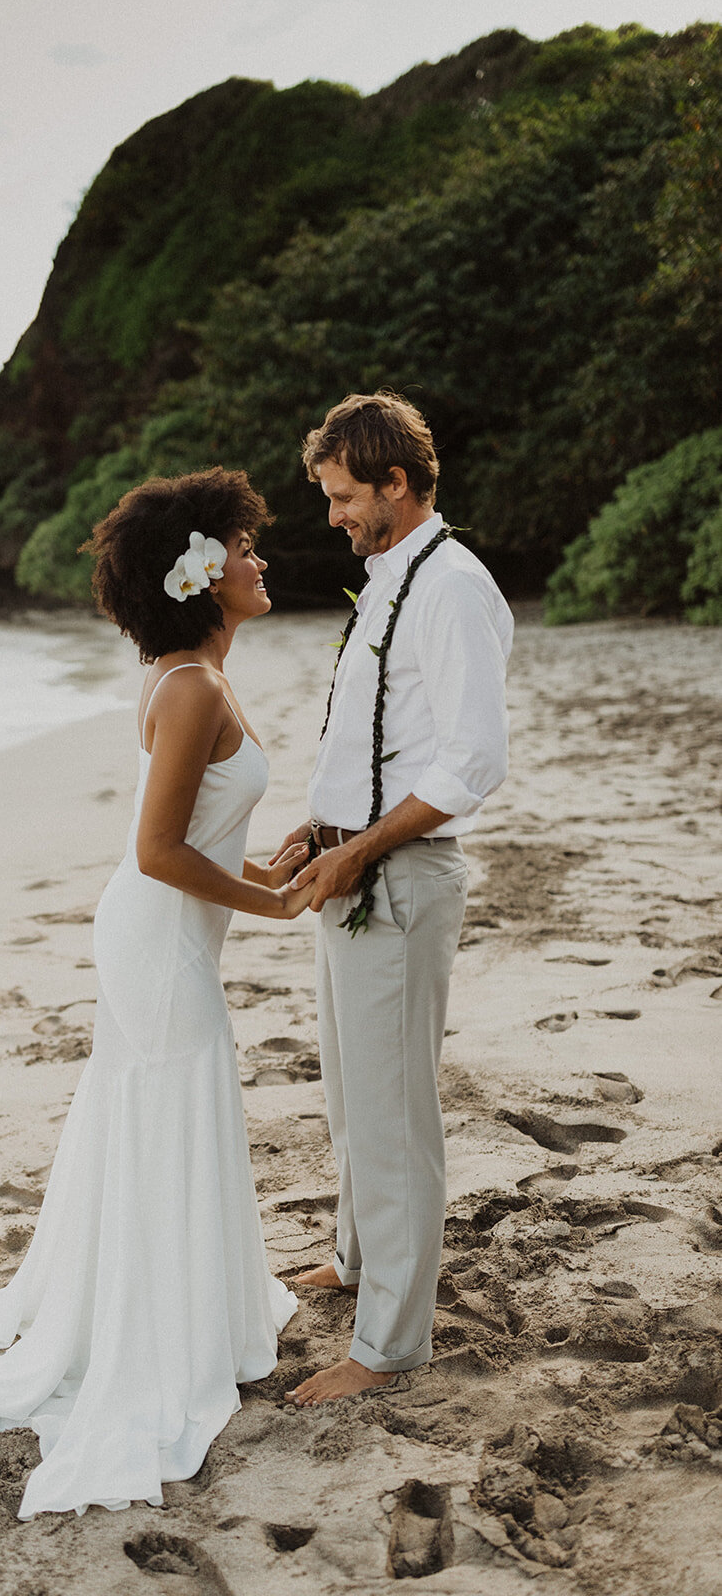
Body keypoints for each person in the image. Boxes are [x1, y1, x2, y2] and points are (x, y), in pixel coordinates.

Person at [0, 467, 312, 1517]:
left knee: (164, 1112)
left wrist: (272, 871)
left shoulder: (197, 675)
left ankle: (182, 1310)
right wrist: (267, 908)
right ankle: (157, 1335)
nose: (258, 558)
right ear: (201, 573)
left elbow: (203, 836)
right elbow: (155, 849)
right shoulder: (187, 686)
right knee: (168, 1110)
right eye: (241, 545)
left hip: (168, 929)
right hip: (156, 937)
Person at [277, 392, 513, 1407]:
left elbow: (470, 761)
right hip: (349, 865)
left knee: (394, 1114)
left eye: (341, 496)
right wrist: (317, 827)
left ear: (396, 483)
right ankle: (355, 1258)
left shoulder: (451, 587)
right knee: (346, 1094)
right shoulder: (385, 580)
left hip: (401, 879)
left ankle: (387, 1346)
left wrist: (362, 847)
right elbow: (372, 737)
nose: (331, 515)